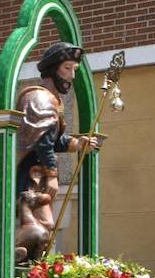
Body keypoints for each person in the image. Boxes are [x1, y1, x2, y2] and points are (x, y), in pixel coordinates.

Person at [14, 42, 102, 263]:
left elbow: (53, 139)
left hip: (39, 174)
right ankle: (20, 258)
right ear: (53, 69)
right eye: (67, 68)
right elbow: (43, 141)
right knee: (41, 226)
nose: (71, 76)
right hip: (32, 175)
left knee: (46, 227)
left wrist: (76, 143)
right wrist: (52, 175)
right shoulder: (39, 98)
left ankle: (32, 263)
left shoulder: (52, 101)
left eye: (74, 69)